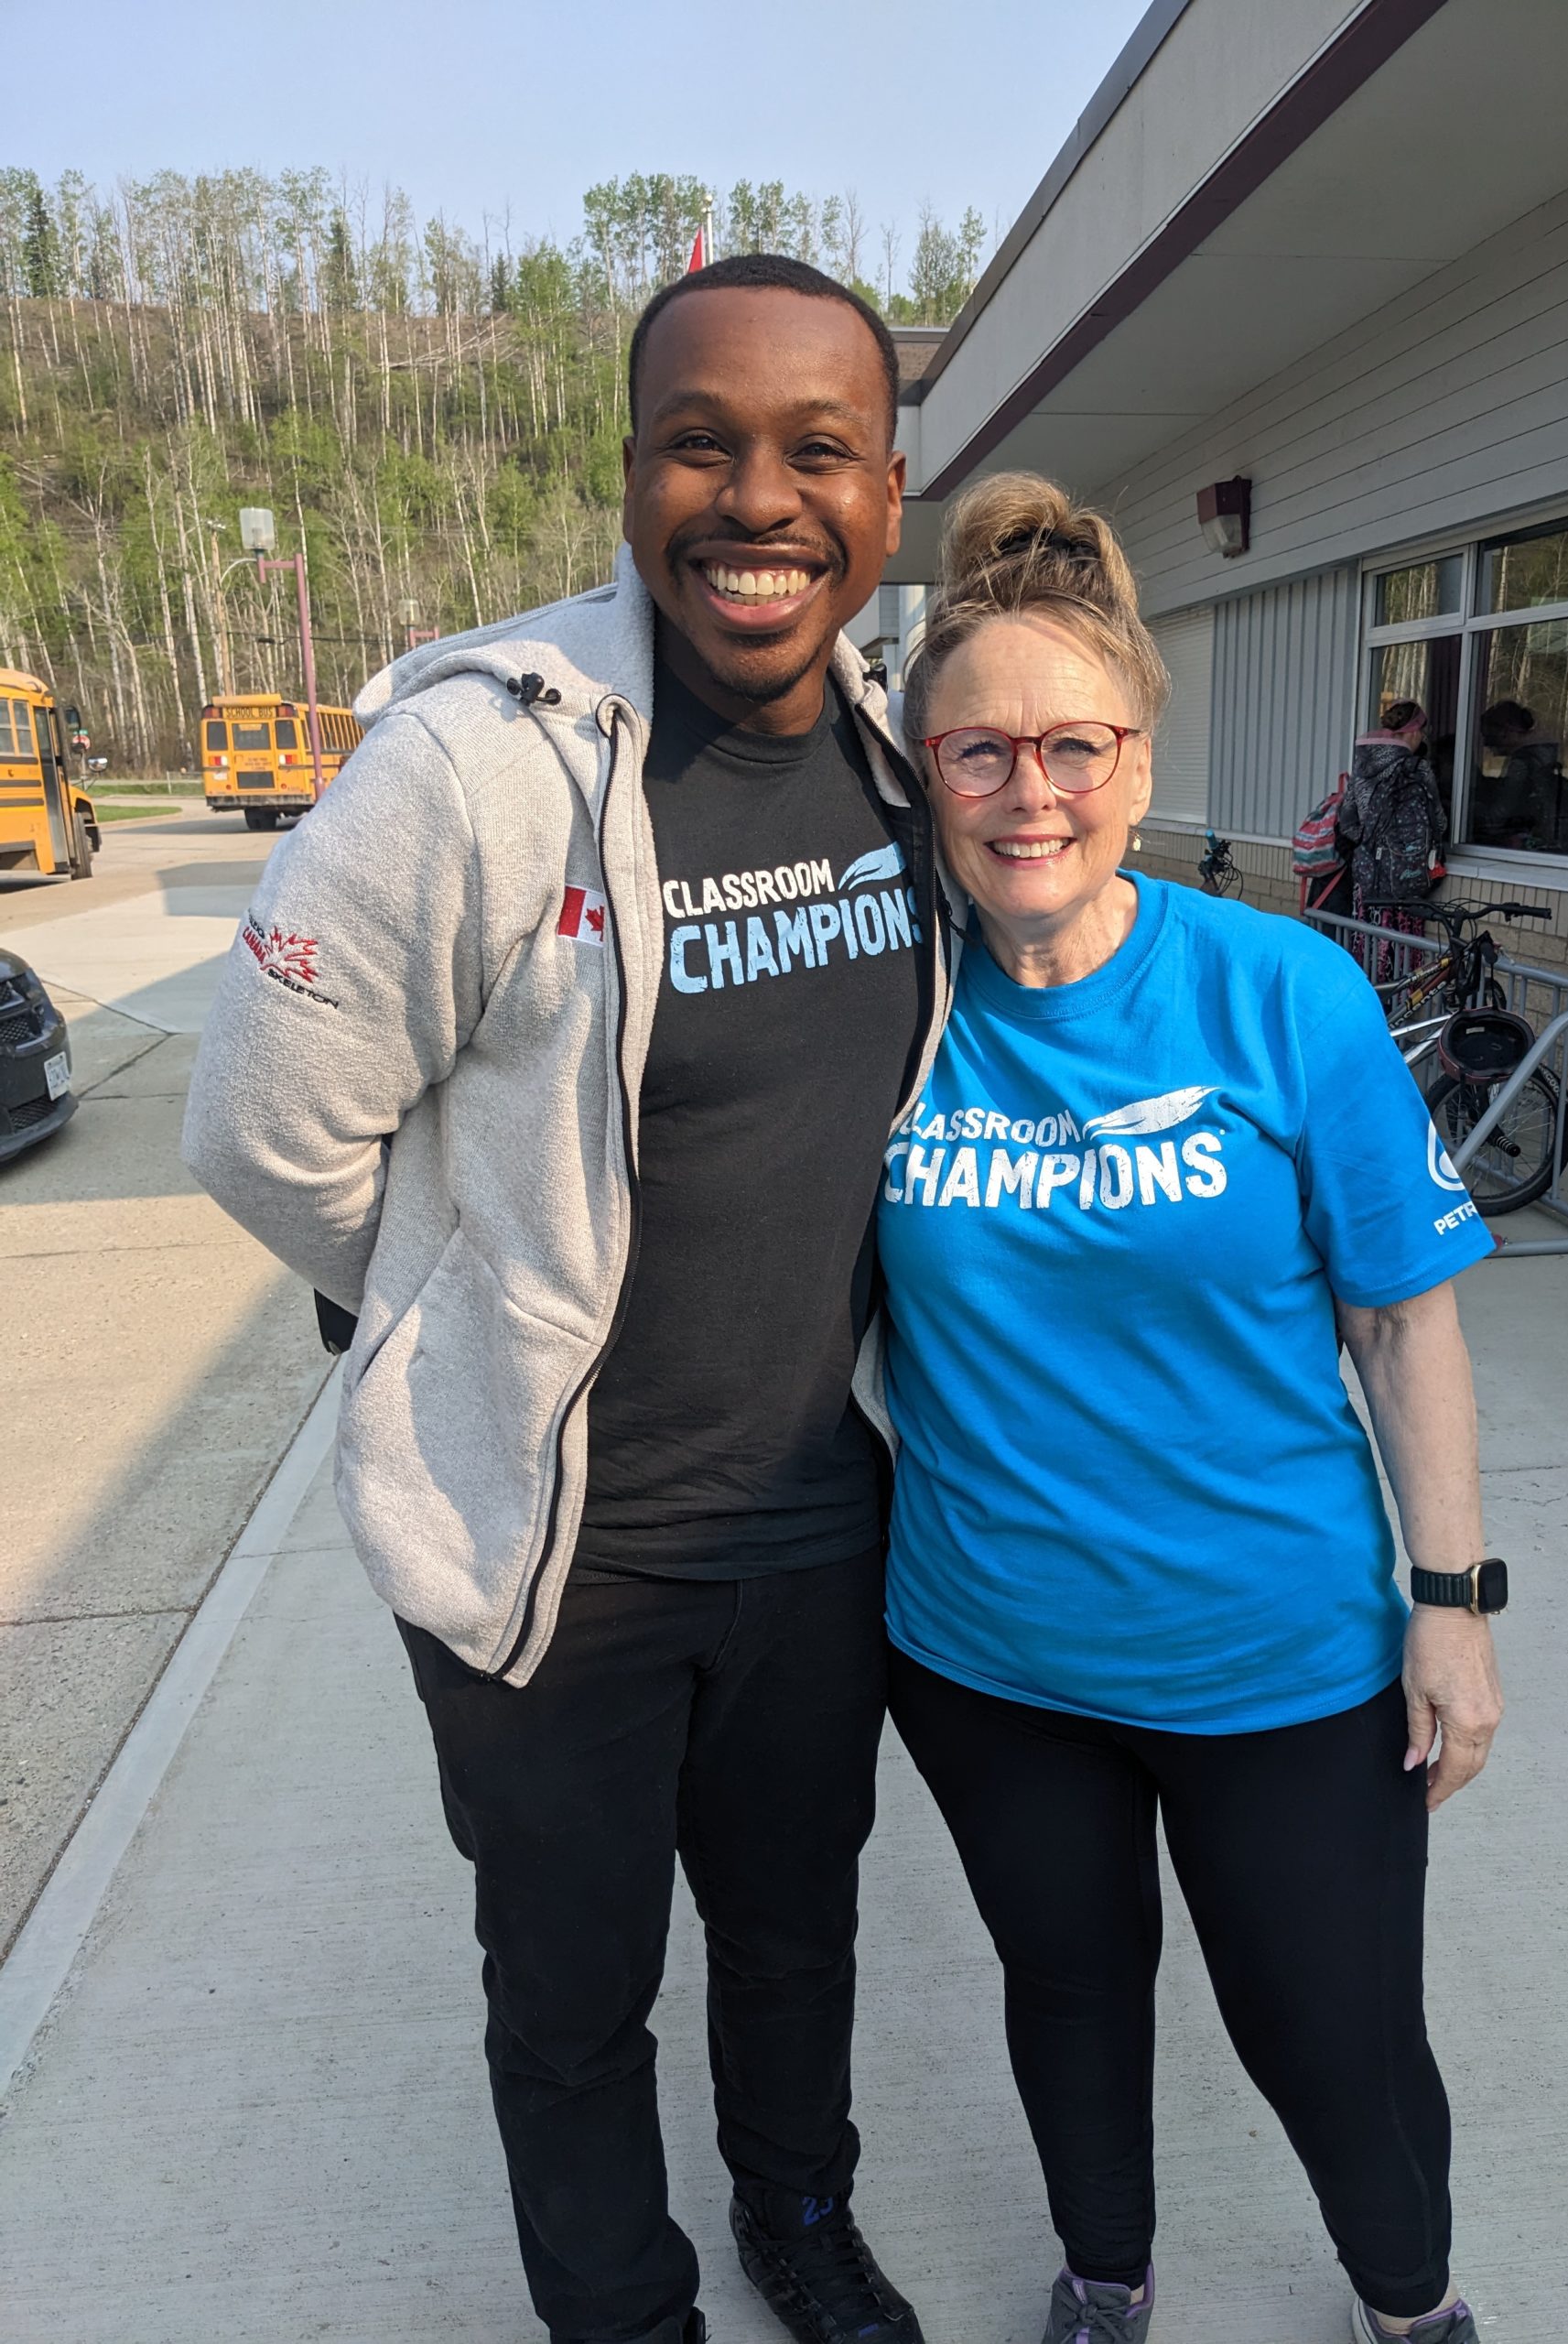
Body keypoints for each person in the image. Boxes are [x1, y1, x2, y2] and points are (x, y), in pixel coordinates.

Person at [183, 256, 957, 2344]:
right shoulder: (477, 764)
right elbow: (262, 1127)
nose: (756, 499)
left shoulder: (905, 761)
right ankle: (627, 2312)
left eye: (816, 450)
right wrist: (440, 1310)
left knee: (796, 1935)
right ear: (628, 474)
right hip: (554, 1549)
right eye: (700, 444)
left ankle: (800, 2213)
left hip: (821, 1520)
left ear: (887, 493)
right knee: (574, 1986)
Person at [868, 474, 1504, 2344]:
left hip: (1277, 1659)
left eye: (1074, 744)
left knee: (1331, 2031)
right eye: (980, 749)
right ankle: (1105, 2274)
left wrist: (1453, 1603)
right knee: (1067, 1993)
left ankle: (1411, 2300)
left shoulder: (1280, 989)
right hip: (988, 1657)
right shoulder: (890, 1004)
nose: (1031, 791)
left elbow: (1403, 1322)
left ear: (1140, 763)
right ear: (924, 772)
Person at [1336, 700, 1446, 975]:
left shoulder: (1363, 766)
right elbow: (1439, 822)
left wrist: (1370, 842)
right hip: (1407, 878)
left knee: (1367, 953)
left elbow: (1346, 821)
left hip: (1368, 878)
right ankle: (1399, 1001)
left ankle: (1368, 998)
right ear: (1413, 731)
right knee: (1402, 962)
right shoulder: (1418, 769)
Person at [1474, 698, 1568, 853]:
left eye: (1489, 736)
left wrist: (1469, 808)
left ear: (1505, 731)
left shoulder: (1521, 764)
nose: (1486, 744)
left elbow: (1497, 817)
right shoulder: (1543, 760)